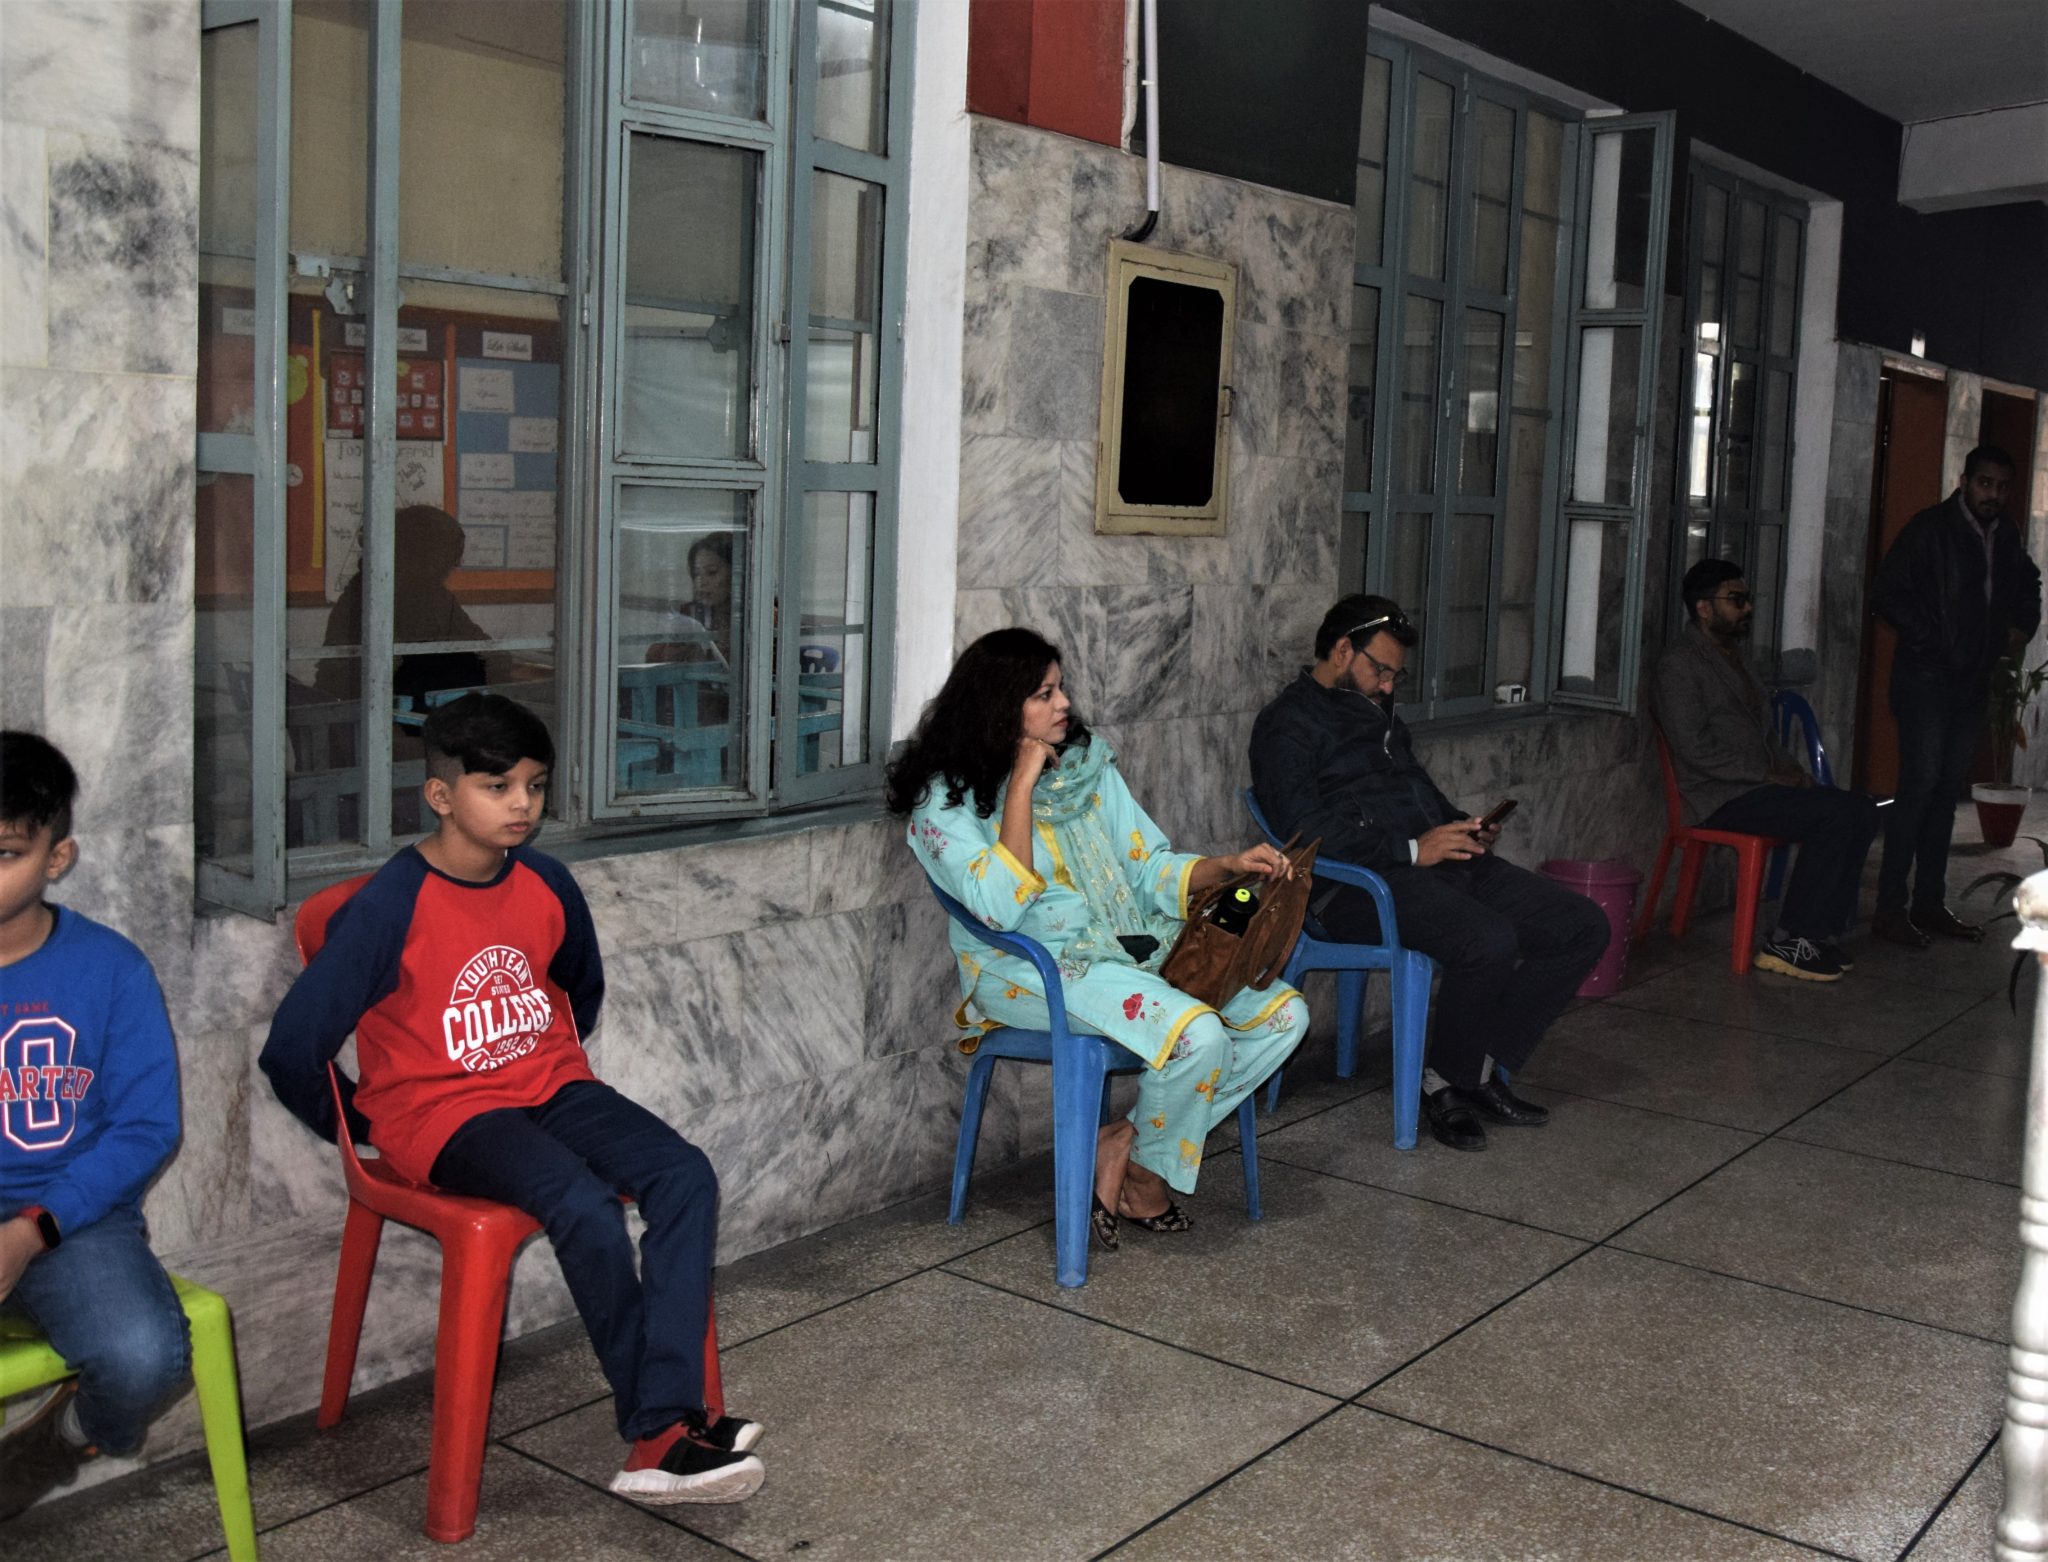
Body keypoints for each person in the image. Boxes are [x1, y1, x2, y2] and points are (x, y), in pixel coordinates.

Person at [260, 694, 763, 1505]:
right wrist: (365, 1124)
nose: (521, 804)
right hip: (446, 1116)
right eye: (496, 786)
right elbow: (291, 1050)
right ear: (440, 794)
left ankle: (669, 1417)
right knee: (581, 1201)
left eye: (534, 785)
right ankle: (663, 1431)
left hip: (549, 1085)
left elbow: (578, 988)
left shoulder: (546, 881)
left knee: (685, 1174)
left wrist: (543, 1061)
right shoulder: (390, 906)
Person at [889, 628, 1308, 1249]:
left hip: (1131, 948)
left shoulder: (1086, 769)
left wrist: (1226, 866)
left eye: (1060, 689)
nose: (1064, 704)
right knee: (1198, 1034)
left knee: (1284, 1018)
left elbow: (1147, 868)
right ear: (999, 707)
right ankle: (1141, 1176)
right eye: (1044, 694)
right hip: (1030, 969)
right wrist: (1022, 784)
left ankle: (1126, 1147)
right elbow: (999, 910)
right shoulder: (944, 803)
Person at [1249, 595, 1609, 1153]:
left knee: (1581, 925)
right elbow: (1305, 832)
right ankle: (1444, 1082)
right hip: (1353, 888)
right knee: (1487, 940)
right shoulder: (1286, 725)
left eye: (1396, 675)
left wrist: (1462, 827)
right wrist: (1414, 849)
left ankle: (1477, 1064)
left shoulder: (1379, 715)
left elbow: (1417, 794)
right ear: (1342, 650)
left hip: (1430, 865)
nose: (1388, 685)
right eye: (1381, 670)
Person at [0, 732, 189, 1518]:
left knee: (146, 1357)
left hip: (71, 1221)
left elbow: (146, 1128)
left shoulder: (111, 969)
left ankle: (61, 1439)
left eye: (5, 852)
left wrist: (31, 1231)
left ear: (57, 857)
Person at [1651, 560, 1882, 982]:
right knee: (1834, 816)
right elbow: (1693, 749)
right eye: (1736, 600)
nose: (1747, 608)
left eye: (1747, 599)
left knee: (1862, 809)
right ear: (1703, 607)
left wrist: (1793, 772)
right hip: (1719, 796)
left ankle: (1819, 934)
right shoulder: (1679, 664)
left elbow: (1765, 735)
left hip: (1757, 789)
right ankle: (1789, 939)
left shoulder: (1735, 657)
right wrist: (1766, 774)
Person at [1871, 444, 2042, 948]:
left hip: (1971, 682)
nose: (1994, 495)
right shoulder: (1930, 529)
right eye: (1985, 483)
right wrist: (1936, 640)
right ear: (1964, 482)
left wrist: (2021, 627)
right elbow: (1886, 593)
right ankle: (1889, 909)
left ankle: (1929, 903)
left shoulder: (2005, 533)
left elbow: (2029, 582)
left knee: (1946, 794)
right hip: (1926, 680)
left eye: (2002, 487)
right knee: (1918, 790)